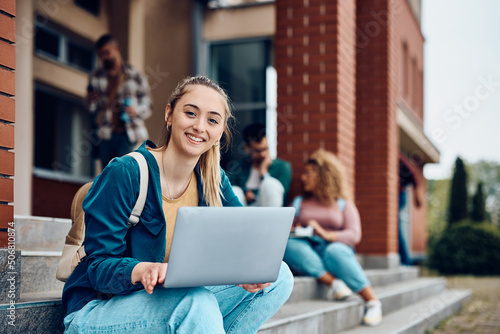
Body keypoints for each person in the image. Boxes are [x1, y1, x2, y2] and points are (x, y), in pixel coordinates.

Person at [62, 76, 294, 333]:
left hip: (166, 302)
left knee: (279, 277)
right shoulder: (126, 172)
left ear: (219, 133)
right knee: (196, 303)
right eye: (191, 113)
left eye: (212, 120)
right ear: (169, 114)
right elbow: (98, 268)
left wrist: (248, 268)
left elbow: (244, 241)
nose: (199, 126)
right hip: (98, 310)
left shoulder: (213, 180)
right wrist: (141, 269)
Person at [283, 149, 383, 327]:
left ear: (323, 175)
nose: (303, 178)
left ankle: (372, 302)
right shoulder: (298, 202)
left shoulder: (343, 204)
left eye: (308, 173)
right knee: (289, 245)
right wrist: (296, 228)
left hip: (335, 248)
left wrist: (326, 234)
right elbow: (286, 228)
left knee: (334, 251)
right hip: (308, 248)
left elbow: (354, 235)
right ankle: (335, 283)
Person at [87, 34, 152, 168]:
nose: (104, 57)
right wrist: (90, 101)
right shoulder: (95, 77)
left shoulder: (135, 75)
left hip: (129, 134)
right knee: (108, 174)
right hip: (105, 135)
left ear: (116, 49)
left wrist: (136, 110)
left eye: (107, 53)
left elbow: (148, 104)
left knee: (126, 172)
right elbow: (92, 108)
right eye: (101, 54)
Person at [229, 123, 292, 207]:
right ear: (247, 148)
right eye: (258, 150)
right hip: (245, 209)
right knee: (235, 191)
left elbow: (281, 197)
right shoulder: (239, 167)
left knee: (270, 184)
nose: (263, 154)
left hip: (268, 210)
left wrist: (264, 173)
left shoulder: (282, 167)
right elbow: (228, 191)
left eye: (265, 149)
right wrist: (245, 193)